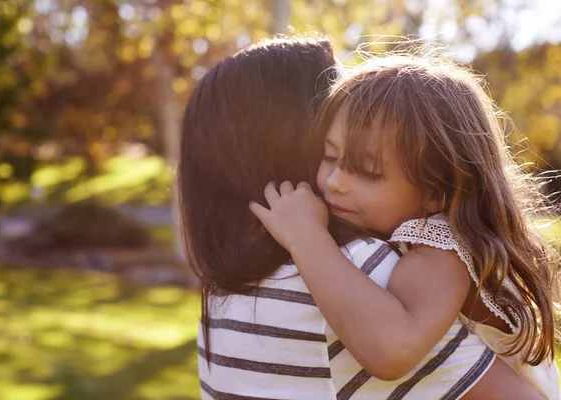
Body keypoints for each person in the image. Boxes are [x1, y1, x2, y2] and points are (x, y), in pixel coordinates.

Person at [179, 36, 544, 399]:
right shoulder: (368, 265)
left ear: (437, 192)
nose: (334, 183)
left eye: (368, 171)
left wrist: (307, 237)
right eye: (328, 156)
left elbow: (392, 349)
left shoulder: (439, 249)